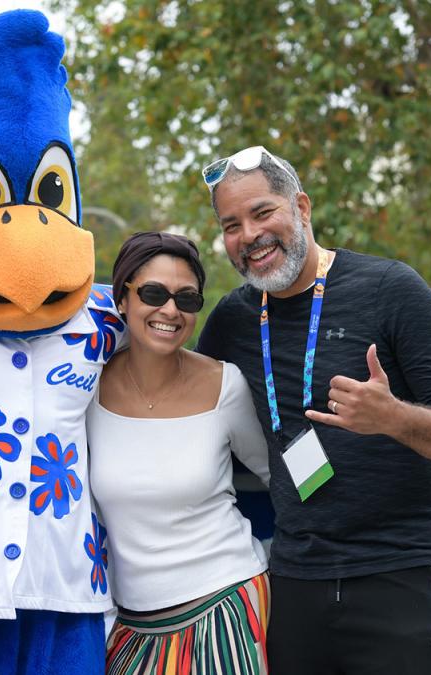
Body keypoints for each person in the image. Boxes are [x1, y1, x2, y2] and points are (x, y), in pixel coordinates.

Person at [195, 146, 431, 674]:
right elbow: (179, 408)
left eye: (262, 213)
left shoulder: (391, 289)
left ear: (301, 208)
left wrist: (393, 416)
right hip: (293, 575)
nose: (249, 236)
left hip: (400, 570)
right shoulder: (233, 321)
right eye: (230, 224)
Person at [88, 232, 272, 674]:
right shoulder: (85, 387)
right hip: (130, 629)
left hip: (227, 604)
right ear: (123, 299)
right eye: (153, 293)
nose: (170, 310)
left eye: (187, 299)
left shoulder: (225, 384)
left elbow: (278, 472)